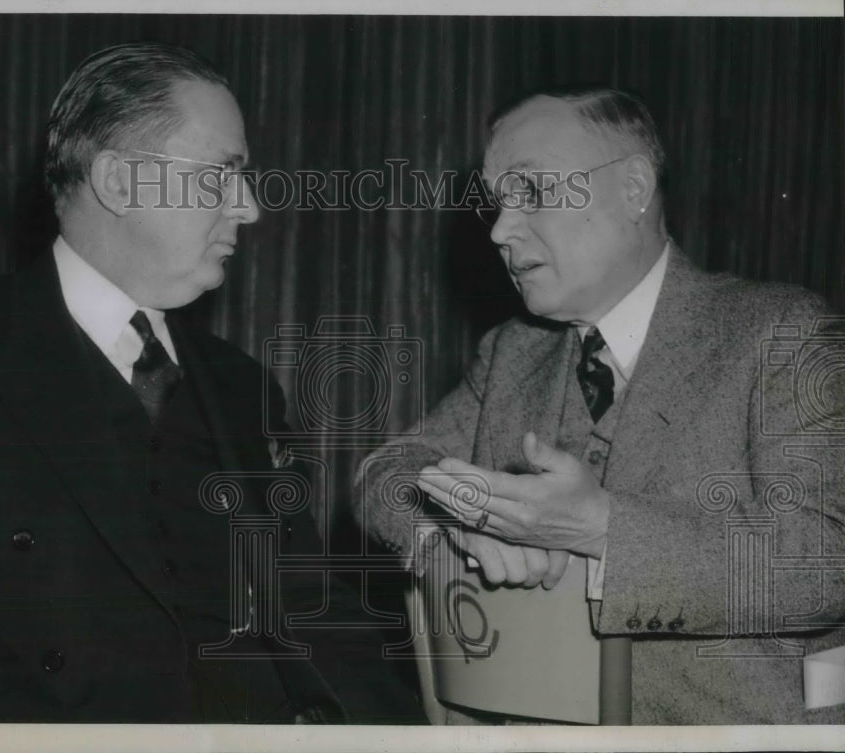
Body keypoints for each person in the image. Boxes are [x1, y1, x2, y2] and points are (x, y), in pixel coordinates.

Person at [0, 41, 422, 724]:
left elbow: (313, 612)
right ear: (118, 181)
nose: (249, 208)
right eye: (220, 176)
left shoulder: (242, 385)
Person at [353, 86, 845, 725]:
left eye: (530, 193)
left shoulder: (784, 332)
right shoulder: (512, 352)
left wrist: (603, 529)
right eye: (497, 205)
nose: (501, 231)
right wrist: (446, 526)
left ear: (634, 188)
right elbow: (382, 472)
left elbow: (821, 561)